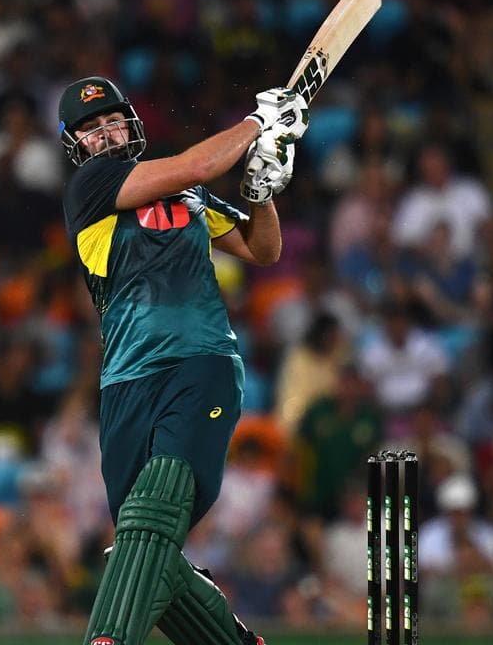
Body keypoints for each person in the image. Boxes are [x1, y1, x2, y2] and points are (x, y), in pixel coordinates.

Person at [58, 75, 308, 645]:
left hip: (201, 363)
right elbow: (198, 164)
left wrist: (261, 189)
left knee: (158, 505)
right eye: (92, 128)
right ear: (77, 144)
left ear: (130, 123)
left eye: (112, 120)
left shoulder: (190, 197)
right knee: (144, 543)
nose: (106, 133)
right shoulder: (90, 187)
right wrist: (257, 125)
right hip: (125, 382)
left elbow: (263, 249)